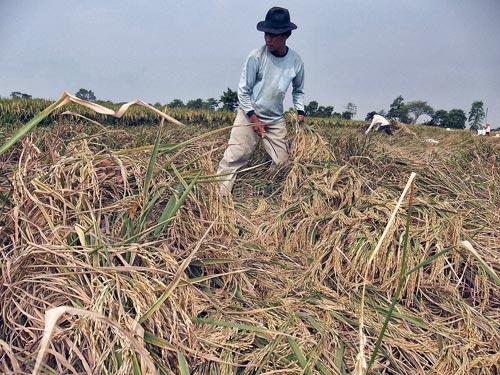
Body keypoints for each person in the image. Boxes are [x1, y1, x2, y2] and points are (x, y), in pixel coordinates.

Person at [217, 7, 305, 195]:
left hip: (275, 120)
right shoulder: (256, 57)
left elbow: (298, 91)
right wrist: (253, 117)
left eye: (274, 35)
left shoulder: (296, 62)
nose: (268, 39)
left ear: (286, 35)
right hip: (249, 115)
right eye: (266, 34)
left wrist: (300, 112)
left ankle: (268, 194)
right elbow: (243, 90)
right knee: (235, 157)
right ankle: (219, 198)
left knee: (282, 163)